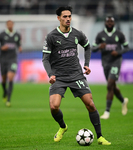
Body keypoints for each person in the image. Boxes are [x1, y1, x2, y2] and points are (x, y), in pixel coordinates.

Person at [42, 6, 111, 145]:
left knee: (90, 104)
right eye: (65, 17)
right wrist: (50, 74)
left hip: (76, 75)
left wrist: (86, 64)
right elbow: (45, 59)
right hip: (59, 77)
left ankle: (100, 137)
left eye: (69, 16)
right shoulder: (51, 36)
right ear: (59, 18)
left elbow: (87, 46)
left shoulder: (77, 34)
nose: (68, 19)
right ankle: (63, 126)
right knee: (54, 107)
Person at [91, 16, 129, 119]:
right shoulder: (100, 35)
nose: (109, 23)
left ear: (114, 23)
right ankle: (123, 100)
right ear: (105, 23)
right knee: (112, 86)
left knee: (109, 85)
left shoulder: (119, 34)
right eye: (108, 21)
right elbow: (92, 48)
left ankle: (107, 112)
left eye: (111, 21)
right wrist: (99, 47)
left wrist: (118, 52)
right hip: (106, 63)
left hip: (116, 62)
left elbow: (126, 47)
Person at [0, 20, 22, 107]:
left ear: (13, 25)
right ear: (6, 25)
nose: (10, 25)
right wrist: (1, 47)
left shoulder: (17, 35)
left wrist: (20, 48)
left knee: (10, 77)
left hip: (12, 59)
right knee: (3, 79)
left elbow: (18, 44)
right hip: (3, 59)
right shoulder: (1, 35)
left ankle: (8, 100)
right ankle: (5, 91)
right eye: (8, 24)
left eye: (11, 24)